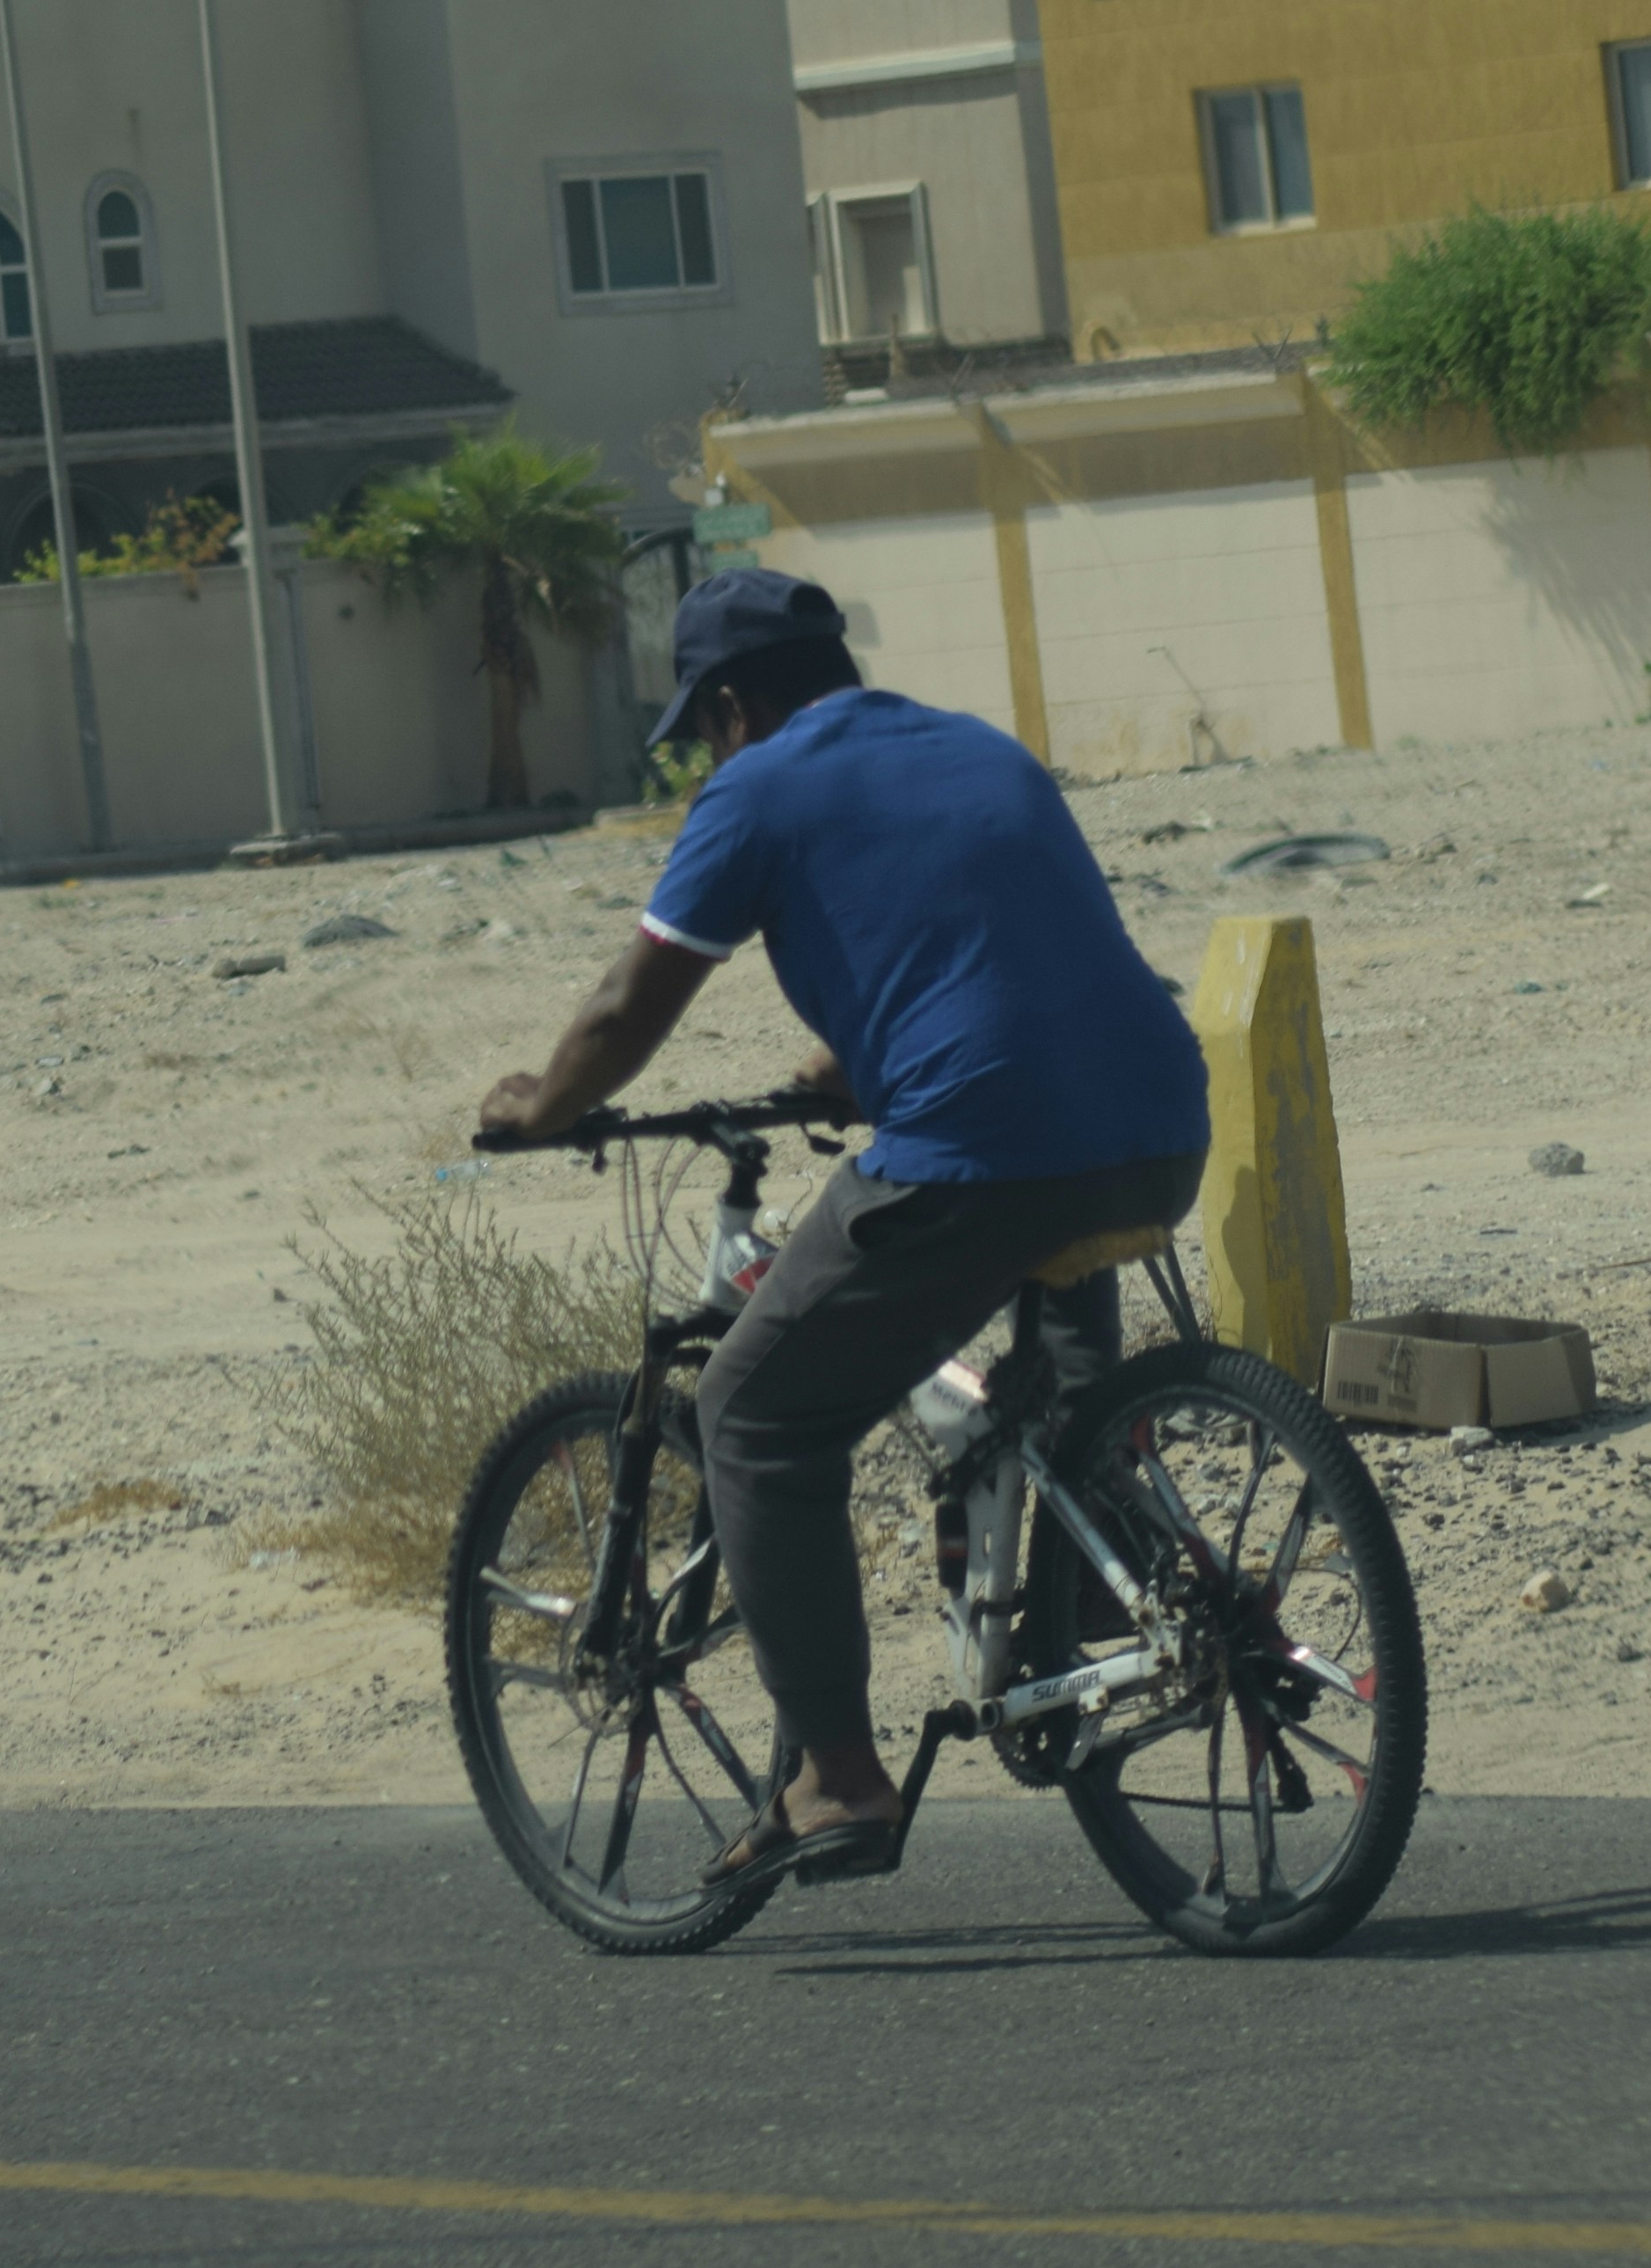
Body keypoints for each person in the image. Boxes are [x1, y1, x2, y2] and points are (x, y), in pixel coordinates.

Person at [476, 572, 1208, 1890]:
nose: (710, 756)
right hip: (1157, 1122)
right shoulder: (978, 748)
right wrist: (849, 1063)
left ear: (730, 705)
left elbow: (631, 1004)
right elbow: (992, 949)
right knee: (1058, 1375)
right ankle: (1097, 1602)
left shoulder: (754, 789)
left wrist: (543, 1106)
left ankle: (835, 1777)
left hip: (984, 1145)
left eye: (705, 732)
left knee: (755, 1410)